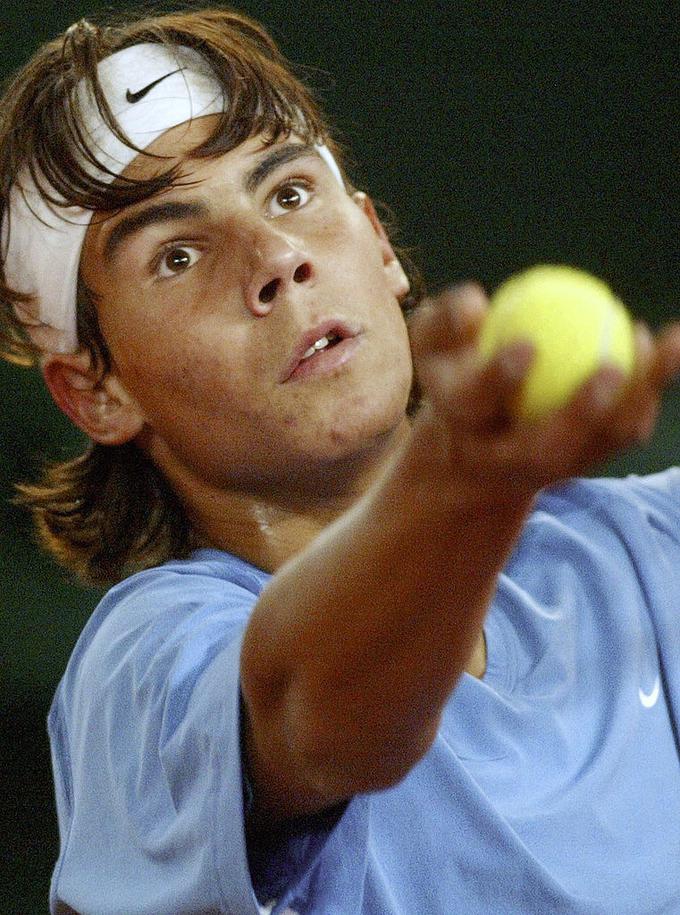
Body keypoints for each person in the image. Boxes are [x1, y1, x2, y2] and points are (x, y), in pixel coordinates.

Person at [2, 7, 680, 914]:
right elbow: (317, 718)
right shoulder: (140, 671)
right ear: (97, 392)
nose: (277, 256)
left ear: (378, 242)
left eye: (287, 193)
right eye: (178, 254)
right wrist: (463, 481)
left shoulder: (647, 551)